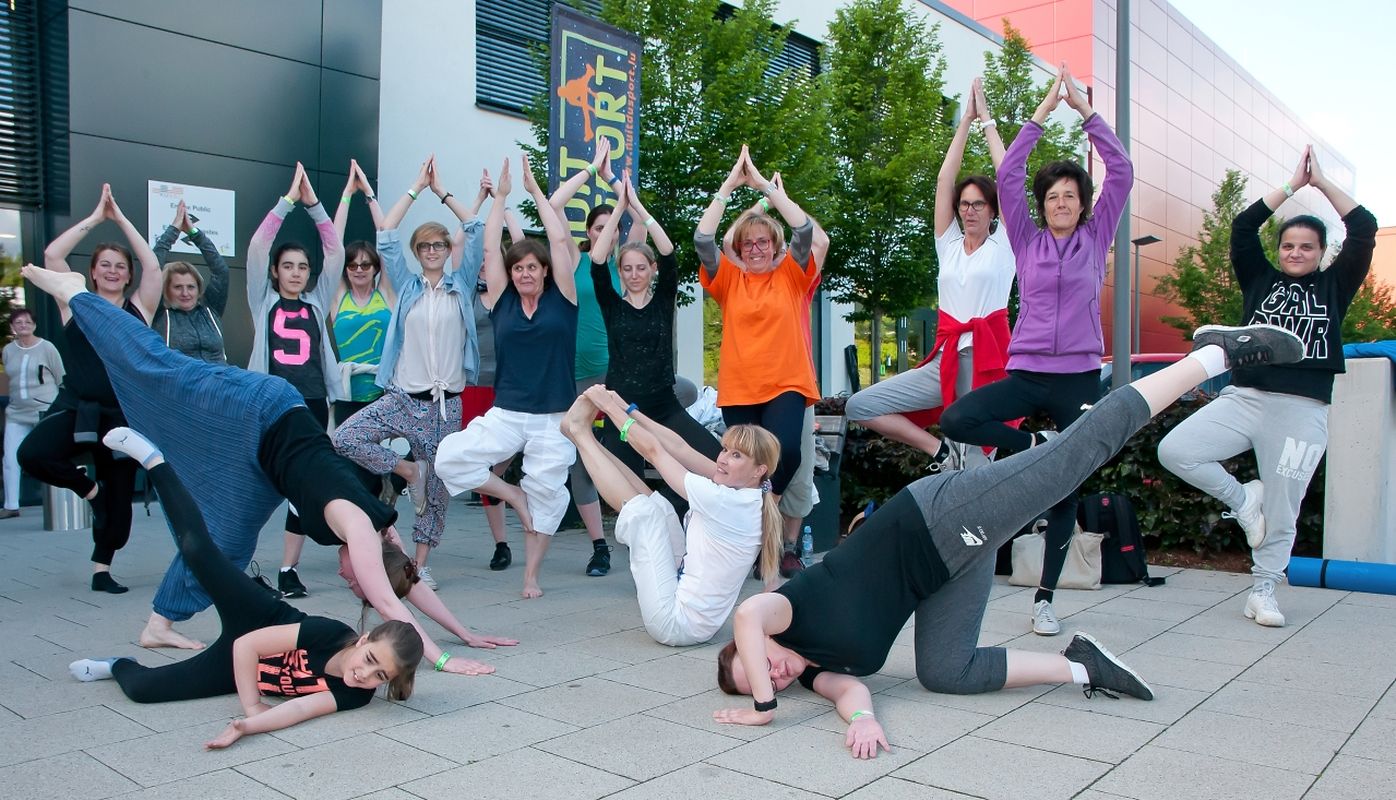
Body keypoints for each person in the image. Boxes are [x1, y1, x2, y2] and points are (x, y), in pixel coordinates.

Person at [712, 322, 1308, 758]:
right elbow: (852, 691)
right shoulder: (815, 668)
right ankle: (1080, 668)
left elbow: (746, 616)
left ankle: (1212, 355)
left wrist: (762, 709)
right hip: (944, 570)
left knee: (1072, 459)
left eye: (764, 669)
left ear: (758, 646)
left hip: (935, 520)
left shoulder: (779, 614)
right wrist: (861, 722)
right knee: (944, 670)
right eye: (773, 686)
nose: (780, 678)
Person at [22, 262, 512, 670]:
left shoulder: (386, 539)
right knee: (165, 372)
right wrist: (445, 660)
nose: (347, 581)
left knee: (229, 541)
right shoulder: (362, 531)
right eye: (354, 583)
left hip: (264, 468)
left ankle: (160, 623)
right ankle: (79, 297)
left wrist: (466, 633)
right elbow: (390, 602)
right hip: (263, 409)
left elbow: (407, 585)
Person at [69, 427, 423, 751]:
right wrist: (251, 704)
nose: (365, 675)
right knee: (197, 550)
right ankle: (155, 462)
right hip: (258, 620)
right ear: (364, 640)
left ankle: (117, 664)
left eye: (380, 677)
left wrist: (247, 726)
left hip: (239, 666)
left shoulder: (356, 693)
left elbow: (300, 708)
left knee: (142, 690)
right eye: (371, 660)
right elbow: (247, 644)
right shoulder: (329, 634)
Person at [939, 64, 1133, 636]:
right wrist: (1042, 113)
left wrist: (1086, 112)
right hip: (1026, 369)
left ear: (1084, 204)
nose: (1061, 203)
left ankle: (1045, 598)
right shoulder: (1023, 236)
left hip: (1076, 376)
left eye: (1071, 196)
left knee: (1067, 486)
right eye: (1053, 197)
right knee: (959, 416)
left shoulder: (1098, 236)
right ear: (1041, 205)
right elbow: (1012, 169)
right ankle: (1033, 444)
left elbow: (1120, 169)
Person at [1158, 146, 1377, 629]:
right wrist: (1291, 187)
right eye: (1288, 246)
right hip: (1245, 398)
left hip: (1302, 409)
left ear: (1321, 254)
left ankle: (1263, 589)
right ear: (1278, 251)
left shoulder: (1335, 286)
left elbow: (1364, 228)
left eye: (1306, 247)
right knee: (1176, 450)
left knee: (1285, 506)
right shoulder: (1258, 278)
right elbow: (1241, 226)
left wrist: (1321, 185)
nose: (1295, 253)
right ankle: (1242, 500)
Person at [332, 157, 490, 590]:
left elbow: (474, 226)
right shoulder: (406, 286)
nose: (433, 252)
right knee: (346, 437)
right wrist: (416, 188)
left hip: (446, 406)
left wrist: (444, 193)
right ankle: (406, 472)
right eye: (425, 247)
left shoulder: (460, 286)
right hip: (404, 398)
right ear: (418, 254)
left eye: (439, 245)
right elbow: (386, 236)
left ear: (447, 251)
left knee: (437, 492)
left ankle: (419, 565)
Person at [846, 78, 1015, 472]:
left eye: (978, 204)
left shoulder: (1005, 246)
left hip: (984, 358)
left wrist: (986, 120)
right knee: (861, 404)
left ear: (992, 210)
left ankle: (978, 513)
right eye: (964, 204)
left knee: (974, 465)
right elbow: (943, 182)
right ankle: (938, 452)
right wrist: (964, 121)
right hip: (945, 358)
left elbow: (1009, 178)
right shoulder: (949, 246)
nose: (969, 210)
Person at [435, 153, 579, 599]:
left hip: (554, 417)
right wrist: (499, 197)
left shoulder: (564, 299)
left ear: (545, 271)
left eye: (531, 267)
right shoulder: (502, 301)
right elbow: (490, 241)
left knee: (550, 495)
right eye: (517, 268)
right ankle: (511, 495)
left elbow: (557, 240)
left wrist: (535, 193)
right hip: (508, 412)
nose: (524, 273)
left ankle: (531, 575)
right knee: (448, 458)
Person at [19, 183, 160, 593]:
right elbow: (52, 256)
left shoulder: (139, 310)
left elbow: (153, 267)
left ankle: (102, 569)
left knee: (119, 511)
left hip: (121, 416)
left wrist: (122, 219)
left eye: (120, 265)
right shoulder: (74, 301)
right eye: (105, 265)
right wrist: (97, 218)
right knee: (32, 453)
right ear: (93, 271)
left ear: (127, 273)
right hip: (78, 407)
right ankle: (89, 487)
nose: (113, 271)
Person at [561, 385, 782, 645]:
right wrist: (626, 409)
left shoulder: (727, 501)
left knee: (645, 514)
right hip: (684, 590)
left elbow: (655, 452)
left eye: (736, 455)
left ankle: (578, 433)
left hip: (677, 624)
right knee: (661, 507)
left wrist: (608, 409)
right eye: (725, 449)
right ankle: (583, 436)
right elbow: (680, 447)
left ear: (759, 470)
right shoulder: (748, 492)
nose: (723, 459)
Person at [695, 146, 829, 569]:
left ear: (774, 247)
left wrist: (769, 191)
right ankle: (756, 543)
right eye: (748, 243)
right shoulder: (729, 279)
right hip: (740, 387)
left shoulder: (791, 274)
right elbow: (702, 239)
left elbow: (805, 231)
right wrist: (729, 188)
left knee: (786, 450)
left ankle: (763, 511)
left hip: (786, 382)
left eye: (763, 242)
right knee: (741, 462)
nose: (755, 248)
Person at [245, 163, 345, 600]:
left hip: (312, 402)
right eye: (288, 266)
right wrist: (288, 202)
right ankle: (238, 561)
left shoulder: (317, 300)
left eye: (303, 266)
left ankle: (288, 568)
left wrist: (316, 207)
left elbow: (336, 253)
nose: (297, 272)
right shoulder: (262, 300)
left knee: (300, 485)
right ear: (275, 272)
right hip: (271, 405)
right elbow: (256, 247)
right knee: (260, 482)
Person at [588, 172, 722, 490]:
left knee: (716, 461)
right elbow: (596, 260)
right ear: (620, 271)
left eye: (641, 267)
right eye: (627, 268)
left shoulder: (663, 300)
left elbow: (668, 253)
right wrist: (619, 210)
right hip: (621, 408)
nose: (635, 274)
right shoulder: (612, 304)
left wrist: (638, 208)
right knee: (631, 489)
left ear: (651, 271)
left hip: (664, 406)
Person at [545, 139, 633, 578]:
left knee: (627, 450)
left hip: (616, 373)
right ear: (588, 234)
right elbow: (555, 202)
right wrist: (591, 168)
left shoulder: (628, 265)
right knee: (581, 455)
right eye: (596, 228)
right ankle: (600, 545)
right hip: (575, 375)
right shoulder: (576, 261)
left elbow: (631, 205)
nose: (603, 233)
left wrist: (614, 180)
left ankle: (642, 533)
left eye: (610, 227)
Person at [328, 160, 396, 426]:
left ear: (376, 268)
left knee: (377, 462)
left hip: (384, 393)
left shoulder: (385, 295)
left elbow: (386, 237)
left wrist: (368, 193)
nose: (359, 269)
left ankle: (410, 471)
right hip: (346, 394)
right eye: (352, 264)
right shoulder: (339, 297)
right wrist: (346, 195)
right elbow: (333, 245)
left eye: (366, 264)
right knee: (346, 457)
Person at [2, 309, 64, 519]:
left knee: (48, 456)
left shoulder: (47, 348)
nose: (23, 326)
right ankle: (11, 506)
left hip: (43, 411)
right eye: (18, 322)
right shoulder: (8, 350)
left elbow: (60, 377)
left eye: (27, 322)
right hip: (16, 413)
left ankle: (60, 501)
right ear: (13, 327)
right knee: (10, 458)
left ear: (34, 325)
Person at [151, 199, 230, 363]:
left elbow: (221, 271)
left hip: (219, 383)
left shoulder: (210, 309)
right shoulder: (159, 313)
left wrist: (194, 233)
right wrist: (173, 231)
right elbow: (153, 271)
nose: (185, 293)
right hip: (179, 384)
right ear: (166, 290)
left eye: (191, 287)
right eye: (178, 287)